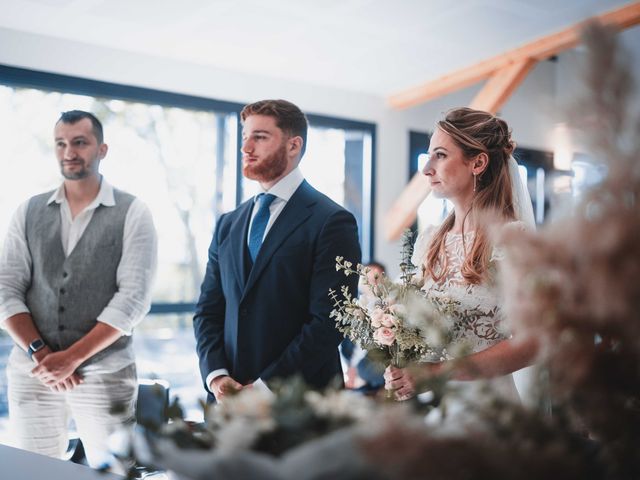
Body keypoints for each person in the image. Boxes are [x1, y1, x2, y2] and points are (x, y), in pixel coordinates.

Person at [0, 110, 157, 468]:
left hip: (105, 374)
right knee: (32, 472)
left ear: (102, 150)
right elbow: (6, 288)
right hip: (32, 372)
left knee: (115, 472)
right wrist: (41, 354)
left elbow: (132, 299)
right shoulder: (28, 211)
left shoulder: (133, 212)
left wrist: (70, 359)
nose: (69, 151)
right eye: (61, 143)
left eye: (80, 143)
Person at [193, 99, 361, 402]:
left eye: (259, 137)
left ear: (293, 145)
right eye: (245, 137)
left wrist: (263, 389)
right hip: (227, 402)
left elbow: (330, 320)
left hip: (303, 404)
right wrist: (217, 376)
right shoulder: (228, 224)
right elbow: (208, 311)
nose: (246, 148)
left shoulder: (332, 221)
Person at [384, 107, 537, 402]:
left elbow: (532, 343)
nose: (426, 168)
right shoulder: (428, 241)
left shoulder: (511, 241)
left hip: (487, 408)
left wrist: (437, 373)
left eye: (440, 155)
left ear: (477, 162)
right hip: (428, 405)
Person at [340, 261, 386, 393]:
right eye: (366, 278)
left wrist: (359, 374)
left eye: (375, 278)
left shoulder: (390, 313)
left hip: (374, 382)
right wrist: (351, 370)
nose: (370, 283)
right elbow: (346, 349)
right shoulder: (352, 311)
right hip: (352, 377)